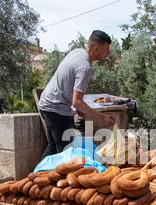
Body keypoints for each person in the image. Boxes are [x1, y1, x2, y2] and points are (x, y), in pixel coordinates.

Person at [38, 30, 116, 159]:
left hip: (47, 104)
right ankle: (45, 177)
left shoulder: (77, 52)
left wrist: (77, 109)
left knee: (53, 148)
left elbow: (67, 82)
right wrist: (101, 117)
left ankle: (35, 176)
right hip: (57, 109)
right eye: (106, 49)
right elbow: (77, 102)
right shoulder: (85, 67)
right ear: (96, 48)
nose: (108, 53)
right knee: (65, 153)